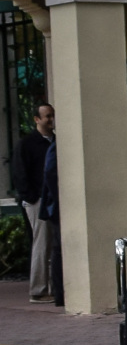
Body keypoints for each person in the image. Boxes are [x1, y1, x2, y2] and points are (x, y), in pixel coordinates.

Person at [12, 102, 55, 303]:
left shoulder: (54, 141)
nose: (51, 119)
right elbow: (20, 173)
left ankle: (52, 287)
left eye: (52, 115)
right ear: (37, 119)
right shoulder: (27, 144)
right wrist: (31, 197)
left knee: (51, 243)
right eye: (47, 116)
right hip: (37, 200)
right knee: (42, 243)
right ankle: (38, 290)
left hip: (51, 199)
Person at [38, 138, 62, 308]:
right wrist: (60, 197)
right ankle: (60, 294)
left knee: (58, 249)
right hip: (58, 206)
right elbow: (50, 171)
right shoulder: (57, 145)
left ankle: (60, 293)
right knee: (59, 249)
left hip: (57, 204)